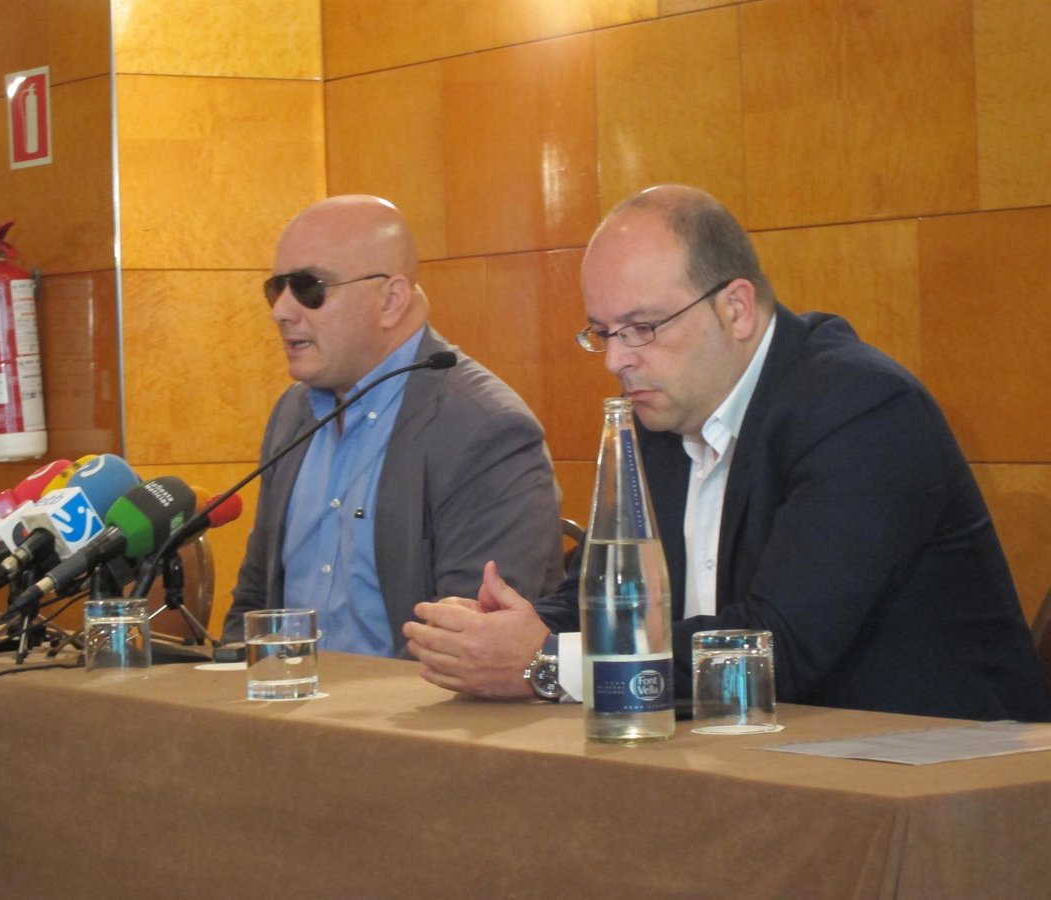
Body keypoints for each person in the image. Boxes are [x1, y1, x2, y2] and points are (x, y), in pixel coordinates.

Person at [403, 184, 1051, 722]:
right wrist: (498, 633)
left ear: (736, 308)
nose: (616, 359)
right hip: (762, 760)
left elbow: (775, 649)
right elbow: (598, 601)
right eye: (602, 332)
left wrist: (549, 663)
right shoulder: (659, 415)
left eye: (642, 327)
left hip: (939, 775)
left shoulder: (862, 410)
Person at [222, 195, 563, 656]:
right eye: (275, 288)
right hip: (284, 697)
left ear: (391, 300)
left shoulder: (485, 429)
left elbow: (468, 642)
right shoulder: (292, 413)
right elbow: (254, 599)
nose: (281, 310)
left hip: (411, 701)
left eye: (307, 288)